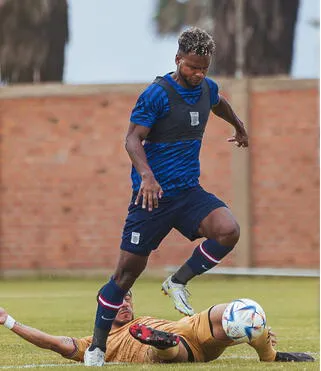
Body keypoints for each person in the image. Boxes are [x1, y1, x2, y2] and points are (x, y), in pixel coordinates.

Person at [85, 27, 250, 366]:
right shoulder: (156, 94)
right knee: (124, 276)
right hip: (152, 199)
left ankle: (178, 280)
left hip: (189, 193)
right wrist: (146, 176)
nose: (198, 73)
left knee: (228, 229)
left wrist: (239, 126)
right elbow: (132, 139)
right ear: (178, 60)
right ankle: (97, 347)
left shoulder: (206, 87)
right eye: (192, 66)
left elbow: (219, 103)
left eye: (204, 67)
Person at [0, 292, 314, 364]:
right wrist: (9, 322)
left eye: (127, 298)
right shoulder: (94, 344)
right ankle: (161, 342)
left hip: (188, 327)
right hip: (181, 351)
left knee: (244, 313)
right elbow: (55, 343)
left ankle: (270, 355)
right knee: (164, 350)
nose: (124, 303)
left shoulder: (142, 317)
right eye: (116, 301)